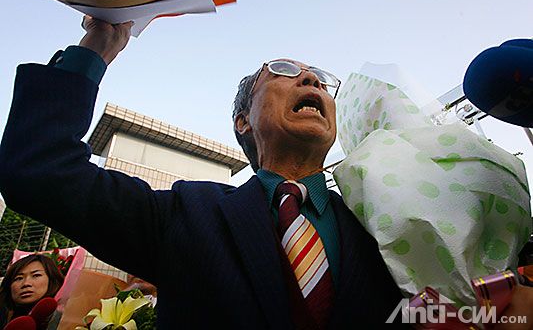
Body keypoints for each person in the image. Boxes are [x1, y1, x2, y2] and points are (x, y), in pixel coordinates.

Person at [0, 17, 531, 329]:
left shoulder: (391, 215)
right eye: (281, 71)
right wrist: (97, 49)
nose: (309, 79)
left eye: (321, 80)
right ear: (243, 121)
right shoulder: (183, 214)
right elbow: (39, 169)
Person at [0, 254, 64, 328]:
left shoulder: (64, 318)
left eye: (36, 275)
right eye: (19, 278)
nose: (26, 283)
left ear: (52, 280)